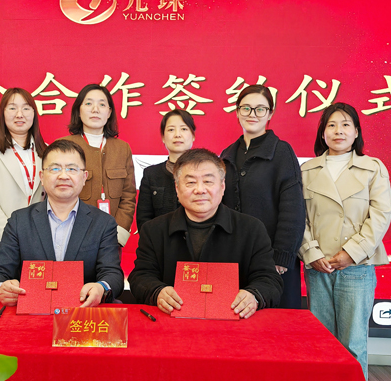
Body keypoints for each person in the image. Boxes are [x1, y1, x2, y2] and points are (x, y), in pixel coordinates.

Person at [128, 148, 283, 319]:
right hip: (172, 323)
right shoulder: (154, 230)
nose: (200, 190)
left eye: (208, 181)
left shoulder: (251, 229)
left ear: (222, 187)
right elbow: (140, 277)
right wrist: (157, 291)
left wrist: (254, 295)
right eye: (190, 182)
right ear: (177, 188)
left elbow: (269, 280)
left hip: (235, 324)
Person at [300, 103, 391, 379]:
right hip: (319, 267)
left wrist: (351, 253)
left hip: (356, 267)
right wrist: (311, 253)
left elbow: (380, 215)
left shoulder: (373, 168)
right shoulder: (307, 170)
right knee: (321, 342)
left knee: (353, 343)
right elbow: (298, 218)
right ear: (323, 133)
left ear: (356, 132)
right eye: (331, 125)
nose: (338, 131)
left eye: (345, 125)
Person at [0, 139, 124, 306]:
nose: (63, 176)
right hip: (32, 311)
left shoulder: (103, 223)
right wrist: (1, 288)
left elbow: (113, 274)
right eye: (55, 168)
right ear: (42, 177)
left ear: (84, 177)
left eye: (72, 169)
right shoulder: (19, 221)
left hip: (83, 312)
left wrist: (101, 288)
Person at [220, 84, 305, 309]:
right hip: (234, 258)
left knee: (275, 323)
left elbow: (293, 209)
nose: (253, 114)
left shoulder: (282, 152)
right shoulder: (226, 154)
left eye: (260, 109)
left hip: (272, 261)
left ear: (270, 113)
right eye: (246, 108)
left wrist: (282, 256)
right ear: (237, 112)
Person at [0, 88, 47, 298]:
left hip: (37, 250)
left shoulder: (48, 151)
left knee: (35, 312)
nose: (19, 114)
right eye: (12, 108)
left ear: (34, 113)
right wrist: (13, 237)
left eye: (26, 108)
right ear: (2, 113)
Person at [63, 84, 136, 247]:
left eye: (102, 104)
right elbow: (56, 195)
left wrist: (117, 234)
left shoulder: (122, 148)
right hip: (71, 237)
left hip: (112, 237)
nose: (95, 109)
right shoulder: (63, 146)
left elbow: (128, 196)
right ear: (79, 110)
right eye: (89, 103)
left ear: (109, 113)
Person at [136, 109, 196, 230]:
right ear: (163, 137)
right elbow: (144, 220)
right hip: (160, 241)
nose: (177, 134)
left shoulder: (205, 173)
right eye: (171, 129)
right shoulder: (151, 174)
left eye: (184, 129)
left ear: (193, 136)